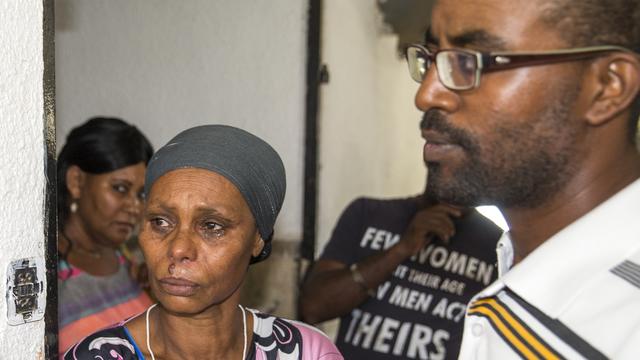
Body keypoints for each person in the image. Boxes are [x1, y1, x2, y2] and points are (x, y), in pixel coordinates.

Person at [404, 0, 640, 358]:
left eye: (472, 61)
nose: (426, 95)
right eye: (432, 57)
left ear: (607, 87)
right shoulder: (516, 262)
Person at [64, 124, 343, 360]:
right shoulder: (98, 355)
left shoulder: (305, 353)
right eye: (160, 222)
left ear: (258, 238)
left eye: (211, 226)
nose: (178, 249)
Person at [299, 121, 503, 359]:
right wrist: (400, 250)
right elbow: (312, 308)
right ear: (430, 153)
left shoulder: (496, 246)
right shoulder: (368, 213)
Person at [58, 117, 154, 355]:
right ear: (76, 181)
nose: (135, 207)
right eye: (120, 188)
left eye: (141, 194)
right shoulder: (45, 274)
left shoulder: (126, 257)